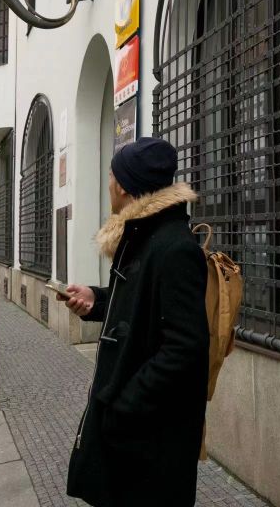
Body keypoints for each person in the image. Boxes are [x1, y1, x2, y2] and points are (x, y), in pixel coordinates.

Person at [63, 137, 209, 507]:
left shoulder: (174, 248)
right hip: (137, 433)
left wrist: (124, 405)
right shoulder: (145, 237)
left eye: (112, 176)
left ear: (124, 186)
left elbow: (185, 347)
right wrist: (98, 300)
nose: (108, 184)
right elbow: (143, 305)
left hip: (150, 436)